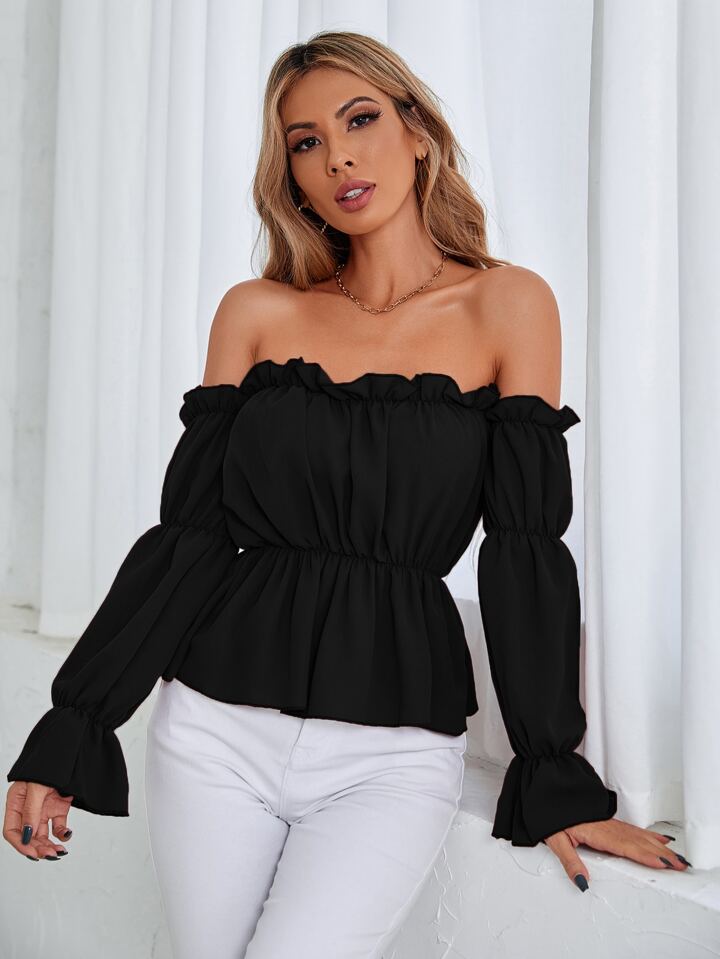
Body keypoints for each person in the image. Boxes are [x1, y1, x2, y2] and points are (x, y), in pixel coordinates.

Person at [3, 29, 689, 959]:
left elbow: (525, 548)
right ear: (289, 172)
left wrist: (551, 771)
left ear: (418, 132)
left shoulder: (509, 306)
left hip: (390, 753)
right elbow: (187, 540)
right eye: (306, 141)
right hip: (214, 729)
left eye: (359, 120)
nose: (338, 158)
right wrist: (77, 722)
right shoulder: (257, 313)